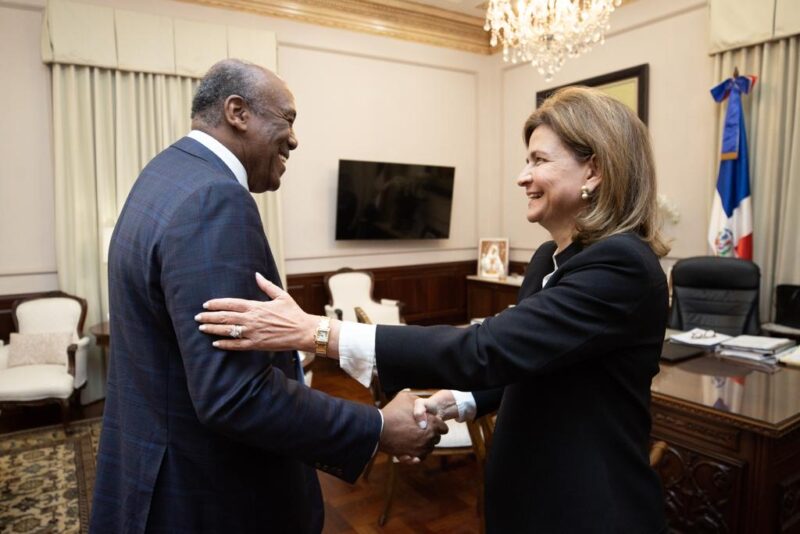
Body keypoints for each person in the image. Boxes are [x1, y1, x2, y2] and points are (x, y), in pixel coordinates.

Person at [195, 86, 670, 533]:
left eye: (539, 160)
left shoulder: (622, 265)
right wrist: (457, 401)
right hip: (526, 497)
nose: (522, 176)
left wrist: (318, 332)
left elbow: (486, 348)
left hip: (587, 507)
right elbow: (528, 362)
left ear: (594, 171)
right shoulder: (549, 258)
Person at [90, 59, 446, 534]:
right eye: (288, 118)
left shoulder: (164, 175)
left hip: (154, 468)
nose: (295, 139)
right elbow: (235, 394)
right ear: (238, 112)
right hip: (210, 494)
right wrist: (377, 427)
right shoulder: (213, 200)